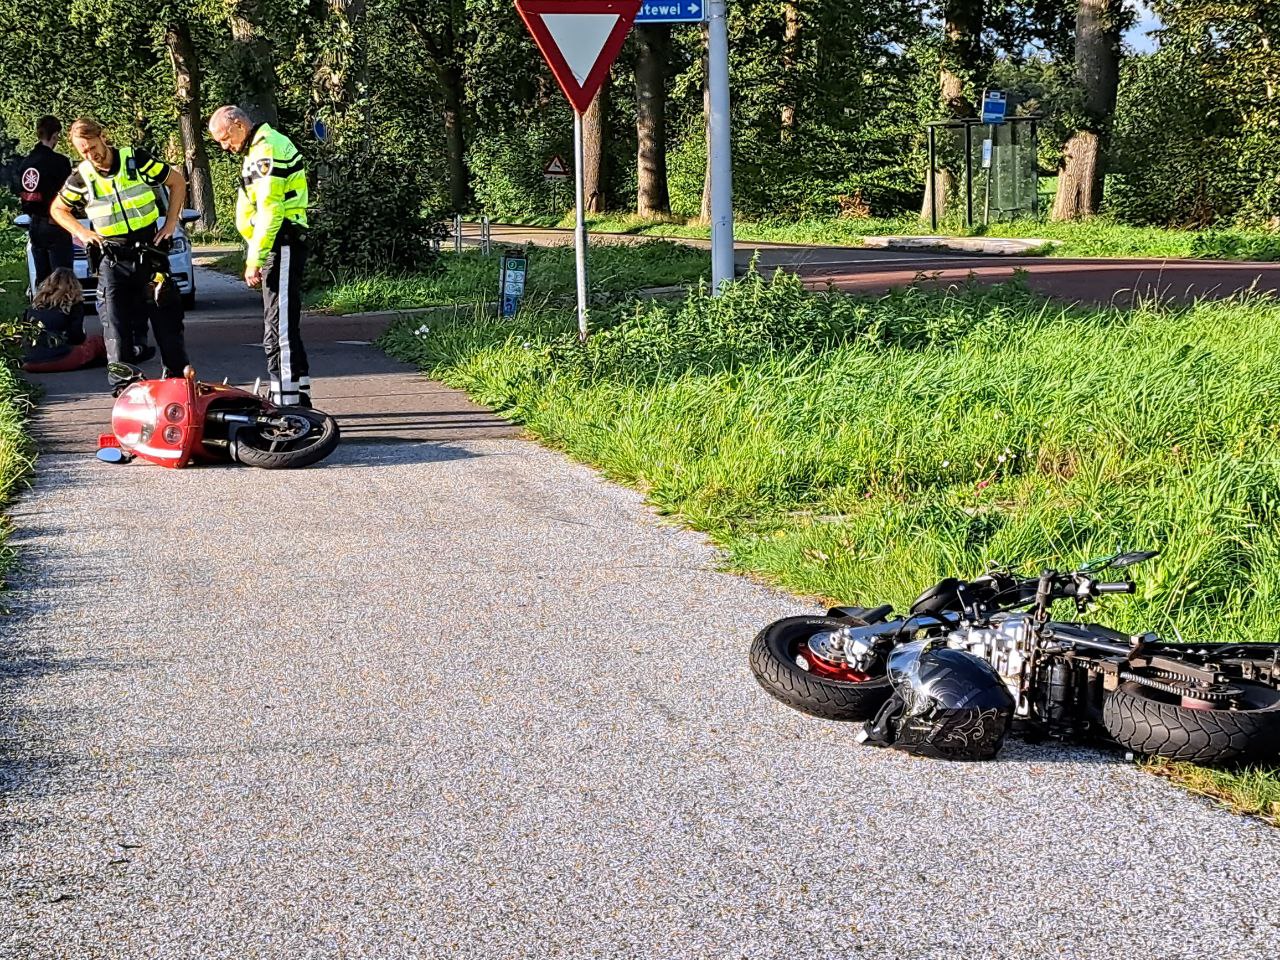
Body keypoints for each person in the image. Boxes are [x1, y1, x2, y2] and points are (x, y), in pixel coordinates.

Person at [48, 117, 189, 383]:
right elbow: (57, 209)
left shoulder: (135, 160)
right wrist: (81, 232)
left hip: (150, 251)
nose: (92, 155)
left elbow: (177, 182)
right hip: (112, 256)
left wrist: (171, 223)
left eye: (92, 147)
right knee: (115, 326)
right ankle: (123, 387)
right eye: (84, 151)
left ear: (103, 136)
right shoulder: (82, 176)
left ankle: (178, 381)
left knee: (166, 319)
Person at [207, 105, 311, 407]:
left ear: (239, 125)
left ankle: (287, 403)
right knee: (281, 325)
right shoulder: (258, 149)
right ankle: (296, 395)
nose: (226, 147)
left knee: (277, 329)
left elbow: (271, 209)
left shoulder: (266, 150)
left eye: (225, 139)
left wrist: (255, 258)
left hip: (282, 242)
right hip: (279, 242)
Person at [16, 116, 73, 286]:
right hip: (56, 223)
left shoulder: (25, 164)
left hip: (35, 225)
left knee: (43, 278)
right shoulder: (59, 162)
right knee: (62, 278)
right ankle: (62, 310)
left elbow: (25, 196)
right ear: (55, 135)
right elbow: (70, 195)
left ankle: (42, 310)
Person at [21, 267, 106, 373]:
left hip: (31, 362)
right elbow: (76, 337)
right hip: (59, 359)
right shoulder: (74, 306)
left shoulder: (33, 307)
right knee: (97, 341)